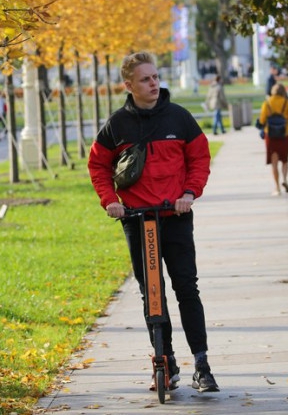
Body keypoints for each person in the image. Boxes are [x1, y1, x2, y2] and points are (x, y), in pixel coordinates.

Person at [87, 51, 220, 393]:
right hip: (138, 219)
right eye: (145, 79)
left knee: (186, 289)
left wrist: (189, 193)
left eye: (156, 77)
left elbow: (199, 158)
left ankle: (202, 365)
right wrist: (110, 201)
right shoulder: (116, 126)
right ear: (128, 85)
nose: (153, 83)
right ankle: (166, 361)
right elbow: (98, 165)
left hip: (175, 216)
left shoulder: (180, 118)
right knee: (152, 293)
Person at [258, 83, 288, 196]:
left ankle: (277, 187)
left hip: (271, 134)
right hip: (284, 133)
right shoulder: (287, 102)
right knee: (285, 160)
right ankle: (285, 179)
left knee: (274, 163)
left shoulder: (267, 102)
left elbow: (262, 119)